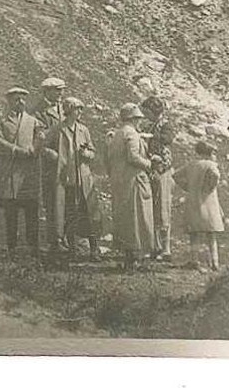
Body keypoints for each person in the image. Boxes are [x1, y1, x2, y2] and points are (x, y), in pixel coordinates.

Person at [0, 86, 41, 259]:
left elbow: (40, 137)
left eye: (23, 99)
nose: (20, 102)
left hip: (28, 173)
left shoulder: (32, 121)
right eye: (16, 99)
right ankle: (12, 247)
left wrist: (34, 149)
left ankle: (33, 248)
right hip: (10, 173)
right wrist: (15, 149)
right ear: (9, 101)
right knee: (11, 213)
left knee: (31, 212)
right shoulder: (3, 121)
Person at [106, 102, 155, 271]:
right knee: (138, 217)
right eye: (138, 119)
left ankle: (129, 256)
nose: (139, 122)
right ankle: (136, 257)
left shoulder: (116, 135)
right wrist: (149, 164)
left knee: (125, 218)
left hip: (120, 180)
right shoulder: (132, 134)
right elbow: (133, 157)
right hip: (134, 180)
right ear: (133, 119)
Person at [55, 97, 101, 260]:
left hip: (85, 178)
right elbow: (48, 147)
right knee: (70, 214)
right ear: (68, 110)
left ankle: (94, 249)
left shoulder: (84, 130)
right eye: (77, 109)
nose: (80, 112)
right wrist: (54, 157)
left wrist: (85, 154)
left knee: (91, 213)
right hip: (68, 178)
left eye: (81, 109)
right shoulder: (59, 130)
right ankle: (72, 249)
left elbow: (92, 152)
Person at [173, 140, 225, 270]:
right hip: (209, 203)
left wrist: (187, 187)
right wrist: (208, 187)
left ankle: (194, 260)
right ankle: (215, 262)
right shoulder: (211, 165)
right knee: (211, 234)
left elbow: (176, 175)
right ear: (210, 153)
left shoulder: (191, 164)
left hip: (193, 202)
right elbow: (216, 176)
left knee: (194, 233)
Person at [34, 76, 66, 253]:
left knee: (65, 200)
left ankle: (65, 238)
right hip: (49, 162)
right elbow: (38, 138)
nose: (60, 94)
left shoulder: (64, 109)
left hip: (65, 161)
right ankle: (53, 240)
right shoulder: (39, 111)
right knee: (52, 200)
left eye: (62, 90)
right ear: (46, 91)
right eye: (57, 90)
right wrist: (49, 153)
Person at [147, 120, 175, 263]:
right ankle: (155, 245)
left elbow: (168, 140)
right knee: (153, 208)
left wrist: (152, 136)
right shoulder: (150, 124)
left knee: (163, 210)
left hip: (163, 174)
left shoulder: (164, 124)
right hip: (153, 172)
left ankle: (166, 248)